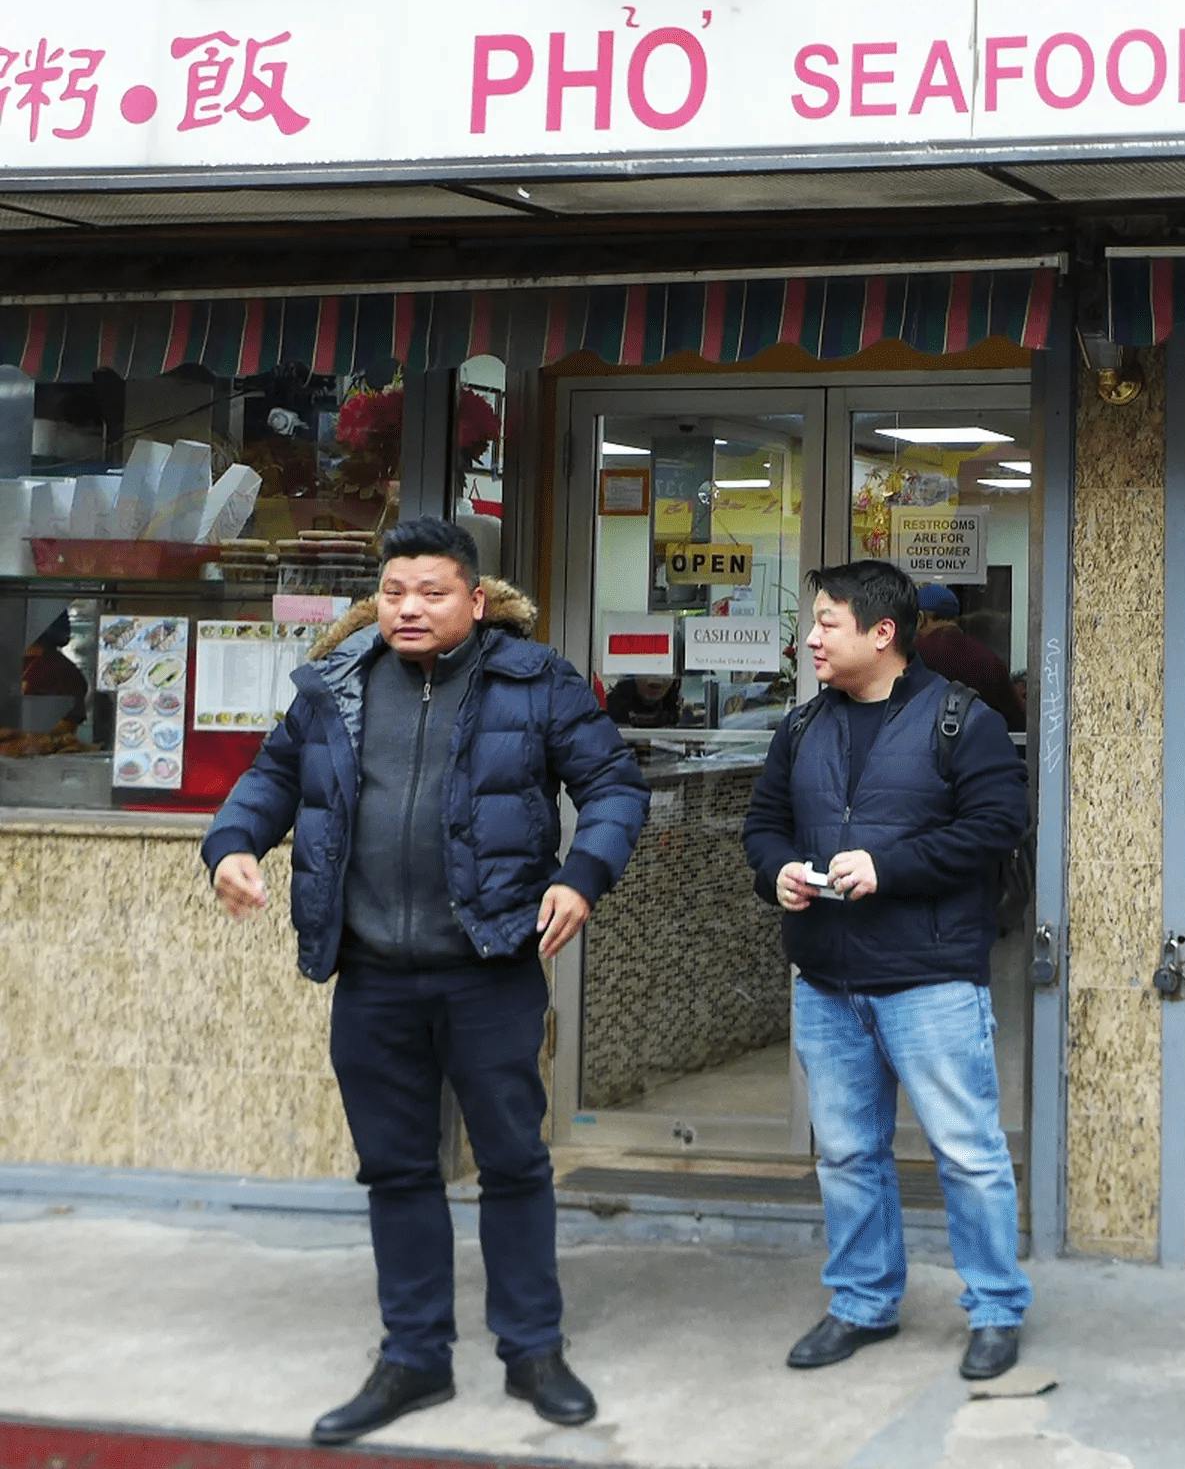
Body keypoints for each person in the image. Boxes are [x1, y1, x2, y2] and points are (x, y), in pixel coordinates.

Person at [201, 518, 645, 1445]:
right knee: (397, 1170)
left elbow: (613, 783)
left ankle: (532, 1349)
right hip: (371, 974)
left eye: (432, 592)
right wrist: (233, 843)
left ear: (475, 600)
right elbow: (273, 776)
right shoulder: (335, 683)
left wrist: (581, 876)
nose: (408, 607)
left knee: (513, 1162)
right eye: (394, 591)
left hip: (488, 966)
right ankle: (414, 1355)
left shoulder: (535, 680)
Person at [744, 560, 1033, 1382]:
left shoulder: (961, 719)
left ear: (881, 633)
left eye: (826, 623)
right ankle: (862, 1301)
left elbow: (997, 825)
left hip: (931, 979)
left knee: (967, 1152)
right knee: (845, 1154)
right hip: (826, 979)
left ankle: (995, 1308)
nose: (811, 638)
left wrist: (889, 867)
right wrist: (777, 872)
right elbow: (763, 824)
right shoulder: (802, 725)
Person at [910, 583, 1029, 733]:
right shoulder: (989, 661)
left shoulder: (910, 658)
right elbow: (1017, 723)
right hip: (979, 744)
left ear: (920, 618)